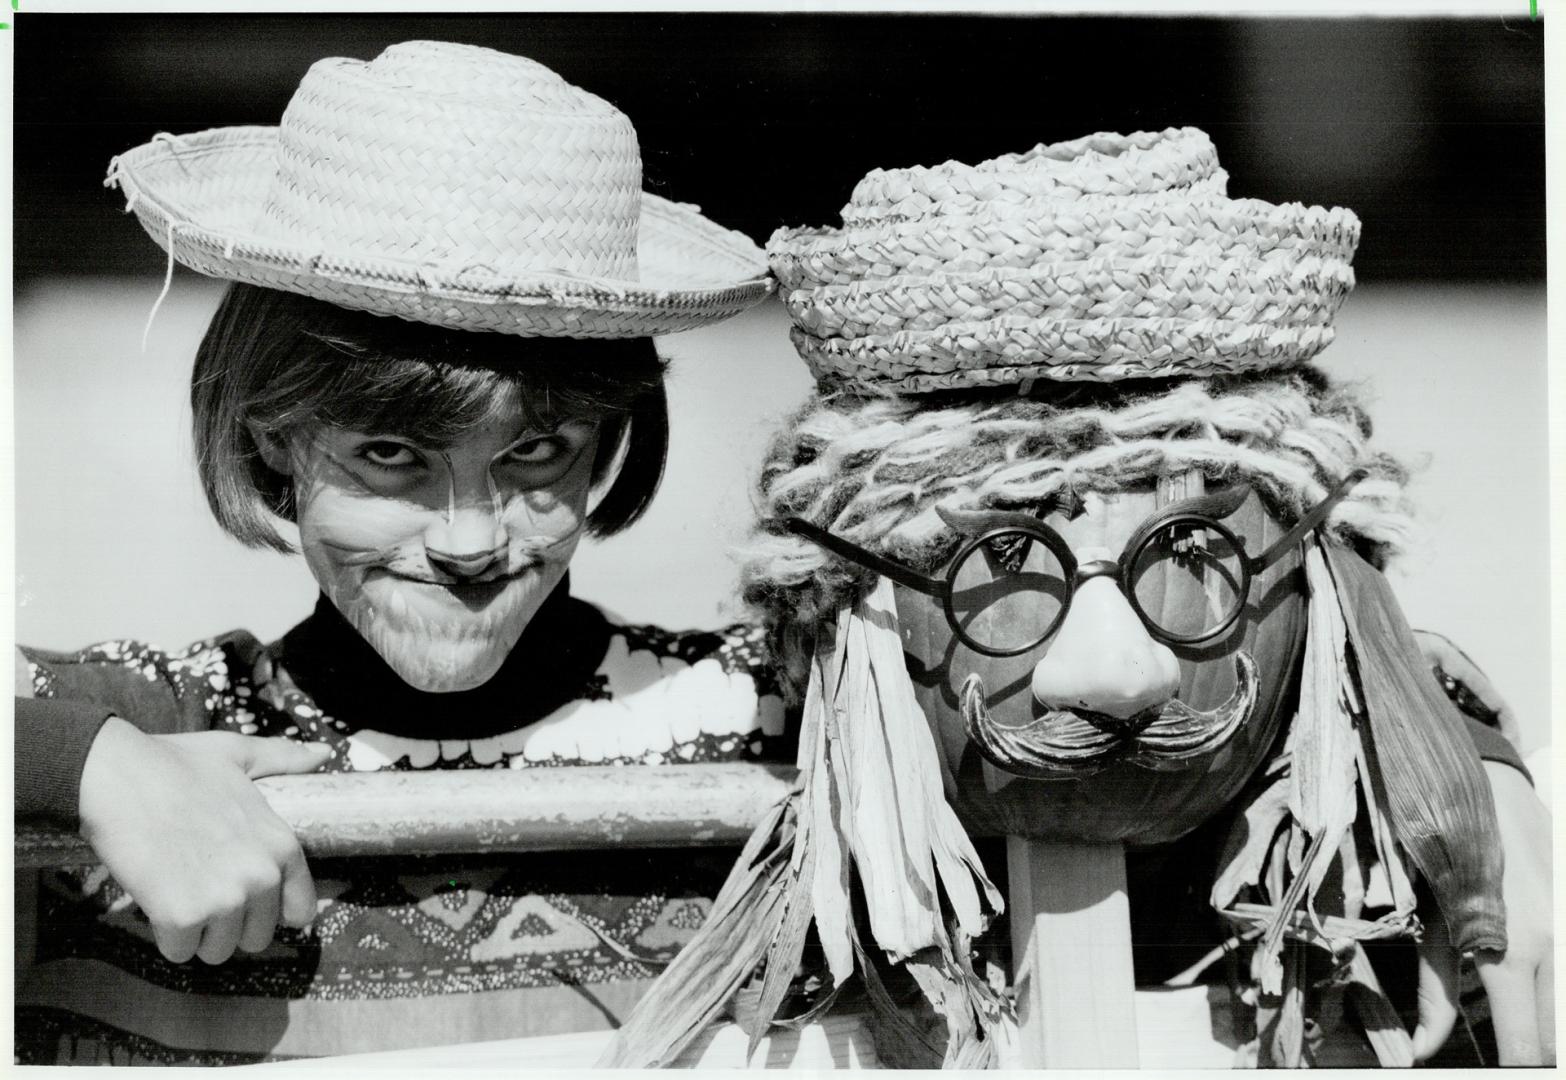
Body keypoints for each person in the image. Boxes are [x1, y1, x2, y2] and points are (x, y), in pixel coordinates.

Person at [607, 128, 1552, 1068]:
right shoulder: (697, 723)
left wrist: (1453, 746)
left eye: (1189, 551)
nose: (1116, 675)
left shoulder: (1403, 877)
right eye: (1007, 564)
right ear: (838, 595)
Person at [13, 40, 781, 1064]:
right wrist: (90, 768)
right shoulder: (164, 730)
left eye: (536, 452)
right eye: (389, 456)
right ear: (271, 439)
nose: (470, 540)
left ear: (610, 436)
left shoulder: (764, 714)